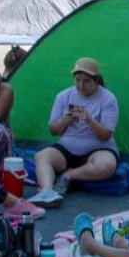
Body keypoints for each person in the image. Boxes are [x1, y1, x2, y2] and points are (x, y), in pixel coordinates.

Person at [28, 58, 119, 208]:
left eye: (86, 81)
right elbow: (53, 130)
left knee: (107, 165)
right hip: (67, 147)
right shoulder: (64, 96)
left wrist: (89, 120)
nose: (81, 86)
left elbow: (105, 135)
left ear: (96, 81)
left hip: (98, 148)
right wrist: (65, 120)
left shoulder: (108, 98)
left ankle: (68, 175)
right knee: (41, 156)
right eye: (77, 80)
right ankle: (47, 192)